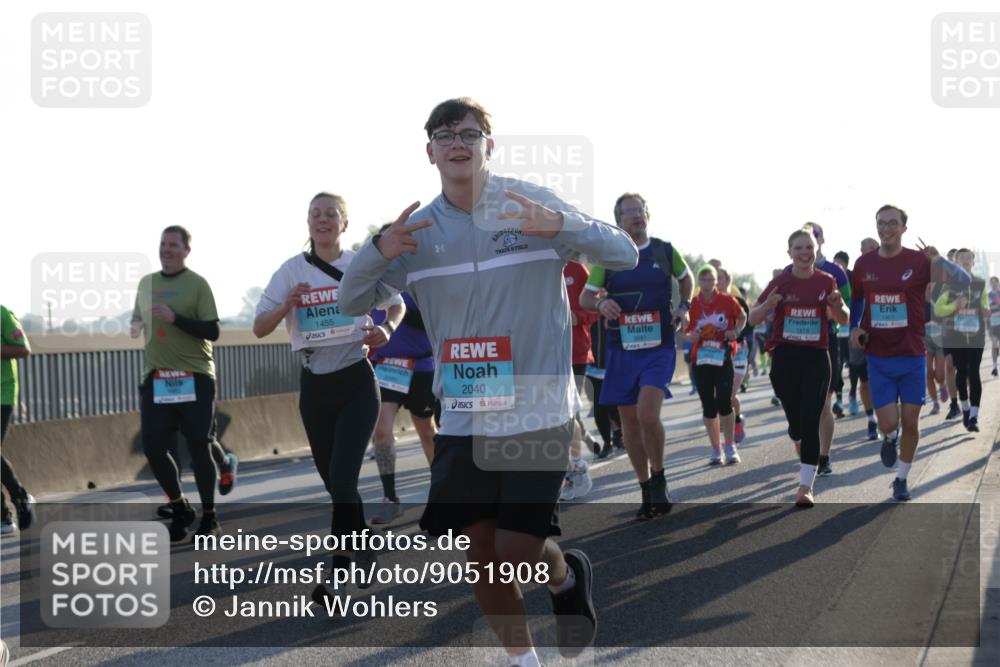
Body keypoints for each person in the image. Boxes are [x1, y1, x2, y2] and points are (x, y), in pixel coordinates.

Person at [338, 98, 638, 664]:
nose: (458, 142)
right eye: (445, 134)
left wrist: (562, 226)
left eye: (470, 134)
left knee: (518, 552)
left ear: (489, 146)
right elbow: (351, 300)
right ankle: (525, 661)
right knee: (482, 560)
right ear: (429, 152)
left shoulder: (528, 204)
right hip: (464, 414)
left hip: (537, 409)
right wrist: (377, 251)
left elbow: (623, 253)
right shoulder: (416, 233)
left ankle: (564, 575)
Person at [254, 192, 402, 603]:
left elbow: (396, 305)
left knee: (341, 479)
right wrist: (287, 304)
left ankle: (335, 575)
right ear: (308, 223)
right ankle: (365, 543)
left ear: (344, 223)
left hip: (356, 381)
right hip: (315, 388)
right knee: (337, 486)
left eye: (331, 214)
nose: (322, 220)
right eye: (315, 214)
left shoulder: (359, 264)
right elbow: (259, 327)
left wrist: (386, 330)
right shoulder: (291, 270)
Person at [581, 192, 692, 520]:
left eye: (640, 210)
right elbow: (586, 297)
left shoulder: (664, 250)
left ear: (648, 214)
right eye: (629, 212)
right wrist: (601, 302)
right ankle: (645, 488)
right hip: (621, 348)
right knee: (629, 420)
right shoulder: (608, 257)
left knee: (647, 414)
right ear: (618, 220)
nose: (636, 215)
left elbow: (686, 278)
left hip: (658, 346)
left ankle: (659, 476)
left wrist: (684, 306)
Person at [849, 205, 969, 501]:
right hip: (878, 355)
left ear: (904, 228)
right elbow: (858, 301)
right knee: (889, 422)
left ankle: (901, 479)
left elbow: (964, 281)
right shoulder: (863, 264)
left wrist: (939, 259)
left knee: (911, 422)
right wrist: (854, 327)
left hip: (912, 353)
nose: (886, 228)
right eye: (881, 223)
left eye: (892, 223)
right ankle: (890, 437)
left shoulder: (919, 261)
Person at [131, 226, 224, 541]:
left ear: (186, 250)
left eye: (173, 245)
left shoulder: (198, 284)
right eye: (163, 244)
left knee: (199, 444)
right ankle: (180, 505)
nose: (166, 249)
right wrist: (136, 324)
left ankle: (209, 516)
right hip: (157, 376)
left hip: (195, 375)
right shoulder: (146, 283)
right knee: (153, 446)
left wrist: (175, 319)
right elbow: (138, 316)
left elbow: (212, 331)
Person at [751, 229, 848, 506]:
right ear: (789, 252)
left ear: (816, 251)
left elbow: (843, 318)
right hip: (785, 358)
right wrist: (768, 305)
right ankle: (795, 433)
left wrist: (838, 307)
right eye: (799, 248)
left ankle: (806, 487)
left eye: (809, 247)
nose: (805, 253)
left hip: (816, 356)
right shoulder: (781, 281)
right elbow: (753, 318)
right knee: (796, 424)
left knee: (810, 421)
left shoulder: (827, 280)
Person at [368, 282, 435, 523]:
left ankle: (441, 495)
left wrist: (399, 309)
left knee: (427, 431)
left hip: (421, 366)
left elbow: (431, 322)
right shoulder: (371, 286)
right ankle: (390, 499)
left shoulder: (416, 284)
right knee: (381, 431)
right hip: (387, 366)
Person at [795, 222, 851, 476]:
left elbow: (849, 302)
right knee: (801, 406)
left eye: (814, 236)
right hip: (797, 345)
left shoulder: (835, 272)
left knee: (824, 403)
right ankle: (808, 453)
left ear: (821, 240)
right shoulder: (790, 272)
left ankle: (824, 456)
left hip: (827, 342)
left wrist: (837, 313)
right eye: (804, 239)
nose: (808, 245)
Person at [685, 265, 746, 465]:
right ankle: (715, 449)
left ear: (715, 282)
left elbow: (743, 316)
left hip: (723, 357)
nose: (707, 284)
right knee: (708, 407)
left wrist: (735, 331)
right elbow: (682, 329)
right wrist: (689, 336)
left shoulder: (727, 301)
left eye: (710, 279)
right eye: (703, 280)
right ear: (699, 282)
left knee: (724, 401)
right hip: (701, 360)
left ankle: (730, 446)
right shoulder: (693, 304)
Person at [934, 248, 989, 432]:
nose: (965, 260)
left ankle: (974, 416)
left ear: (973, 262)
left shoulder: (980, 283)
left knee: (974, 372)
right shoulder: (950, 285)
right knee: (962, 372)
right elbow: (938, 310)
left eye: (969, 258)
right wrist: (955, 305)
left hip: (976, 336)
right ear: (956, 263)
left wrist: (986, 310)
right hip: (956, 337)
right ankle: (964, 408)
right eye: (961, 258)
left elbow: (984, 303)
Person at [560, 260, 600, 500]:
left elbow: (595, 308)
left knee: (568, 412)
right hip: (549, 353)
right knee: (559, 413)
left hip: (576, 352)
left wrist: (578, 316)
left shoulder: (578, 270)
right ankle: (583, 438)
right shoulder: (537, 265)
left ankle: (575, 467)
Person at [1, 305, 35, 535]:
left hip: (2, 393)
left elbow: (23, 349)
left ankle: (20, 496)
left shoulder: (2, 314)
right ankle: (3, 517)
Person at [717, 268, 751, 443]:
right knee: (722, 396)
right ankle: (736, 418)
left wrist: (736, 333)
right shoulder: (708, 303)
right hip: (717, 353)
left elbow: (749, 325)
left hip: (737, 352)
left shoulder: (737, 301)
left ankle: (735, 424)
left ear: (728, 281)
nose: (716, 281)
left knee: (730, 394)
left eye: (720, 278)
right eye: (714, 278)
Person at [585, 315, 623, 459]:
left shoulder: (614, 308)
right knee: (599, 409)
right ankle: (607, 442)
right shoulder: (588, 309)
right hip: (592, 368)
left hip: (614, 365)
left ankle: (619, 433)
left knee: (613, 405)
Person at [989, 276, 1000, 377]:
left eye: (995, 282)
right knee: (994, 344)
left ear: (998, 283)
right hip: (992, 324)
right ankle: (994, 367)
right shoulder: (988, 295)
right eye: (992, 282)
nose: (994, 284)